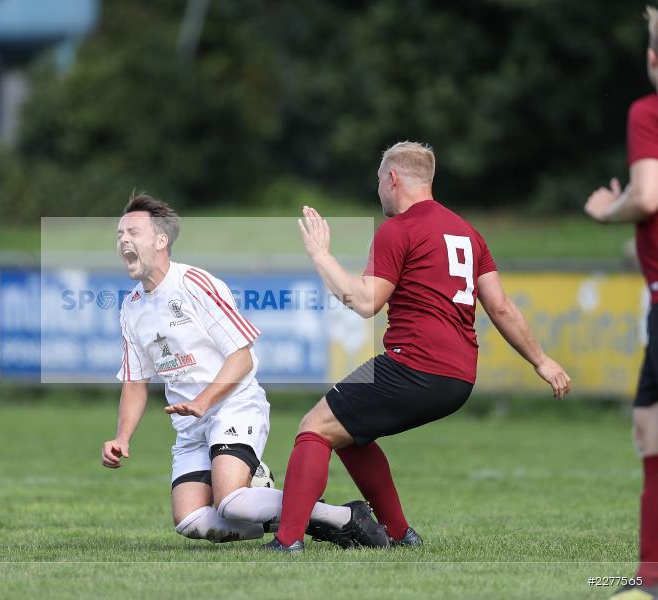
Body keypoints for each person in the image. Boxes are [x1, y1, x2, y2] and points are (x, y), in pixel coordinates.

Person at [263, 141, 571, 553]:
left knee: (314, 429)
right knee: (351, 434)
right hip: (459, 379)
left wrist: (320, 255)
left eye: (378, 181)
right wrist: (542, 360)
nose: (378, 190)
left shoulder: (399, 229)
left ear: (392, 178)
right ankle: (398, 533)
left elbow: (365, 301)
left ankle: (287, 542)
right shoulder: (467, 232)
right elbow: (500, 306)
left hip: (415, 367)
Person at [102, 193, 386, 547]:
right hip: (191, 424)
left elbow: (243, 357)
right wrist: (122, 438)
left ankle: (345, 516)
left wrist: (205, 400)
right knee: (191, 521)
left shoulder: (193, 284)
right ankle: (320, 517)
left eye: (133, 232)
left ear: (161, 240)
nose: (123, 241)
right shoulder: (131, 309)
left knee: (231, 501)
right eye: (119, 234)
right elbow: (135, 383)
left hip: (233, 406)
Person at [583, 8, 658, 598]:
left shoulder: (647, 112)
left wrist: (609, 209)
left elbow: (648, 196)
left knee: (649, 428)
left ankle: (650, 579)